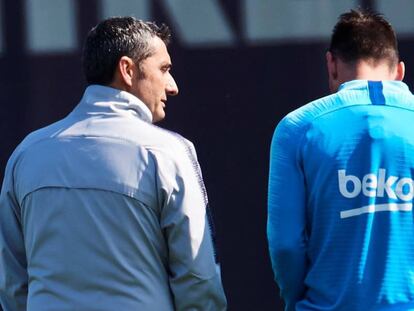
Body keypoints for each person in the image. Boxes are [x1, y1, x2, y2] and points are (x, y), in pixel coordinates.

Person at [0, 17, 227, 310]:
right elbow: (198, 279)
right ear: (127, 70)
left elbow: (12, 282)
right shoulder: (168, 152)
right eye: (164, 69)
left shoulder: (26, 153)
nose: (173, 87)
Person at [267, 9, 414, 311]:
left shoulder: (297, 128)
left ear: (331, 65)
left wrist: (300, 303)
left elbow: (286, 245)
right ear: (399, 71)